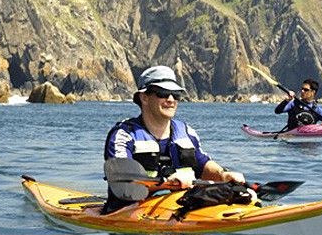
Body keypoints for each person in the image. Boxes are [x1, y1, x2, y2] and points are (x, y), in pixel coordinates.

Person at [103, 65, 244, 211]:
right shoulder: (123, 135)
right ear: (144, 97)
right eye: (162, 93)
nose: (171, 99)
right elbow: (123, 181)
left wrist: (223, 175)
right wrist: (165, 183)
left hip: (179, 205)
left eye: (175, 94)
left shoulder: (187, 132)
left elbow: (202, 164)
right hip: (128, 210)